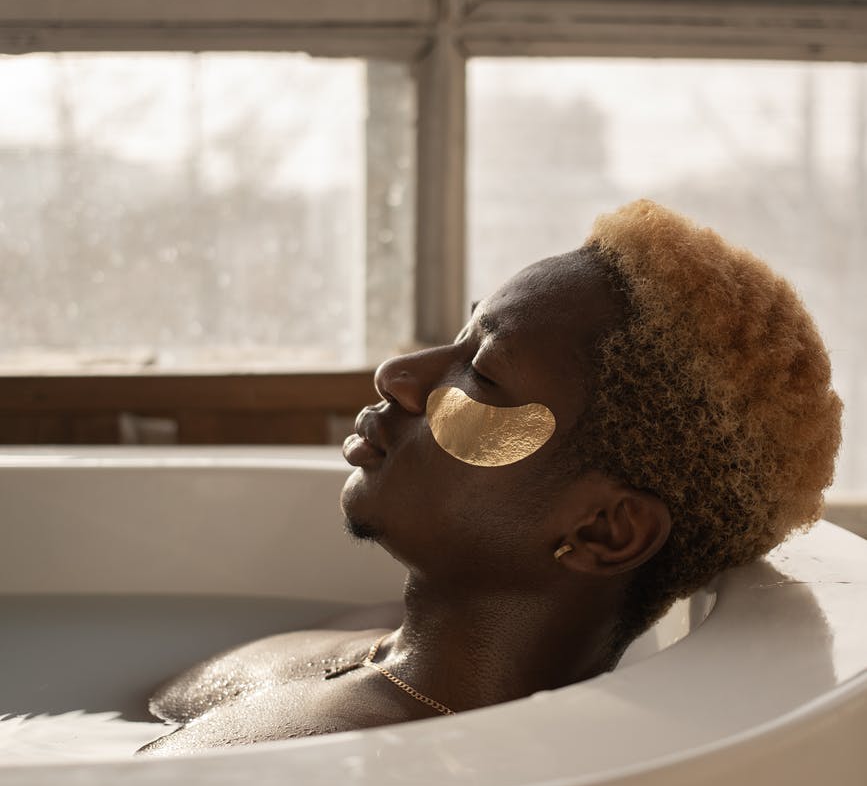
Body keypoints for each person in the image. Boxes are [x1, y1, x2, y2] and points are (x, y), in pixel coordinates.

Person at [137, 200, 842, 755]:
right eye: (460, 336)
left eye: (483, 374)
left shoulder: (314, 764)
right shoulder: (382, 642)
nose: (399, 375)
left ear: (601, 529)